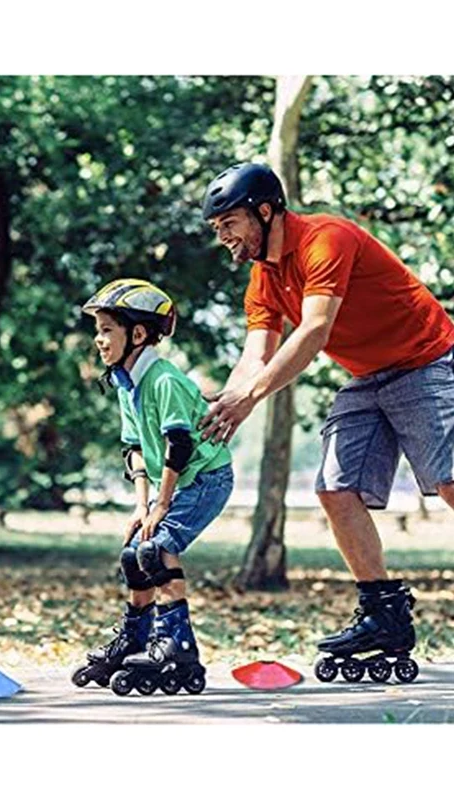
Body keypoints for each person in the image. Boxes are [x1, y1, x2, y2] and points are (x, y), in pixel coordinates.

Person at [199, 162, 454, 683]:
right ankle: (384, 616)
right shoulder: (262, 278)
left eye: (229, 223)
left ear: (264, 210)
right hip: (369, 376)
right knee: (337, 489)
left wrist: (251, 395)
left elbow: (315, 331)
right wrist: (227, 401)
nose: (222, 236)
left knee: (450, 483)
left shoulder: (326, 239)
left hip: (427, 360)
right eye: (217, 227)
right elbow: (255, 356)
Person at [71, 278, 234, 695]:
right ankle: (136, 640)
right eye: (98, 331)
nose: (99, 340)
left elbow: (178, 445)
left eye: (107, 329)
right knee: (133, 555)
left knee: (156, 551)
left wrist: (162, 504)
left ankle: (178, 647)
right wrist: (142, 507)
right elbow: (135, 450)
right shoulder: (126, 381)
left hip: (207, 477)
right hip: (175, 483)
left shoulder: (163, 380)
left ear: (138, 334)